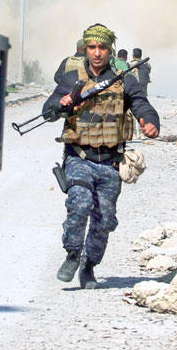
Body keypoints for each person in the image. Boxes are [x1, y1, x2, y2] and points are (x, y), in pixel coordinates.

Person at [43, 23, 160, 289]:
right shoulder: (72, 78)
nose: (97, 53)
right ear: (86, 48)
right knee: (80, 203)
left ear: (110, 50)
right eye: (92, 47)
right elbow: (48, 109)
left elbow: (141, 102)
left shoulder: (123, 79)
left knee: (104, 219)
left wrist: (149, 121)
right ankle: (72, 253)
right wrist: (60, 105)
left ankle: (88, 266)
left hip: (110, 161)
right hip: (79, 156)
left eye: (102, 48)